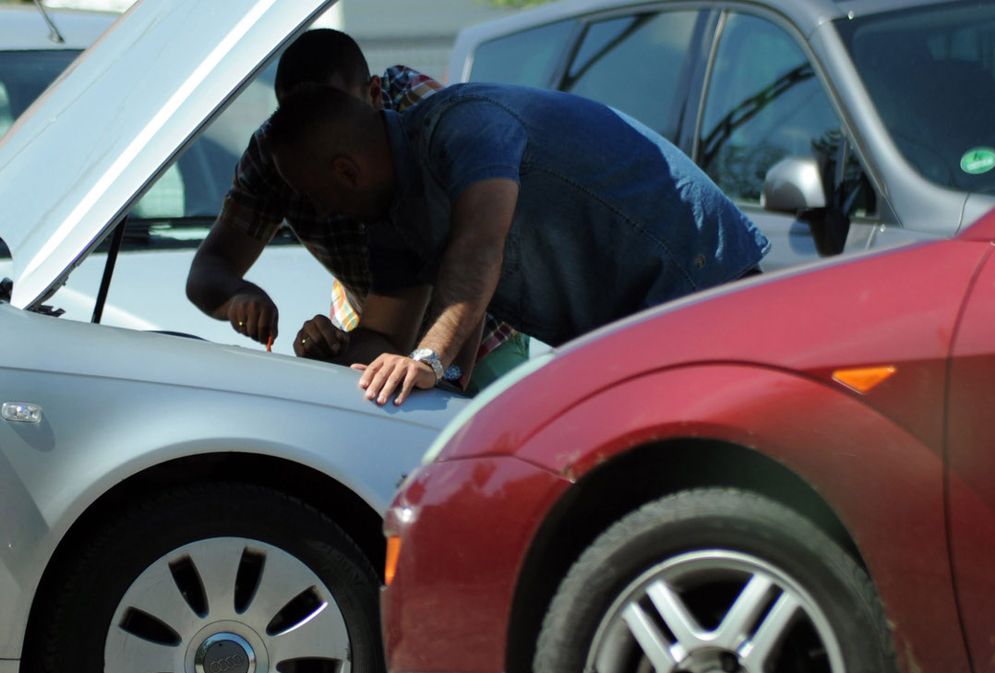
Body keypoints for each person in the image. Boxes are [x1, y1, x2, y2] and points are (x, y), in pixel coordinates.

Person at [267, 82, 770, 405]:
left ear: (346, 172)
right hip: (630, 332)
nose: (322, 213)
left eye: (314, 196)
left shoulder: (464, 125)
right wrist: (338, 355)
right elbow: (389, 340)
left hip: (700, 285)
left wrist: (428, 361)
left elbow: (479, 245)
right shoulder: (394, 215)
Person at [186, 29, 527, 389]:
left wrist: (441, 367)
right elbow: (209, 269)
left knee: (493, 422)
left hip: (478, 328)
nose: (314, 143)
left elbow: (476, 250)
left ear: (375, 95)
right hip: (372, 328)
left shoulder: (426, 116)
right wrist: (240, 299)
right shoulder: (280, 151)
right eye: (297, 118)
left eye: (333, 114)